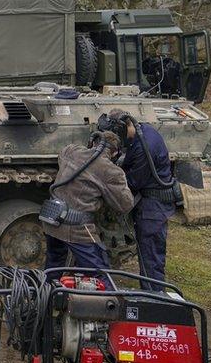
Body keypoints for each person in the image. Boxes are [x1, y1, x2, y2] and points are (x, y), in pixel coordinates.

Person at [41, 131, 135, 289]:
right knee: (100, 273)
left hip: (51, 220)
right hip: (77, 228)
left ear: (93, 142)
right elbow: (125, 205)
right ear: (115, 153)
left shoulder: (71, 151)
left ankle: (45, 302)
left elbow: (63, 157)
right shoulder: (111, 171)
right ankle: (108, 307)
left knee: (54, 266)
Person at [106, 108, 177, 291]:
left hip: (154, 204)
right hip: (152, 200)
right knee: (149, 251)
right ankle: (152, 291)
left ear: (123, 127)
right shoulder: (143, 130)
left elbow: (133, 182)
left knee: (150, 253)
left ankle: (154, 296)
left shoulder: (145, 147)